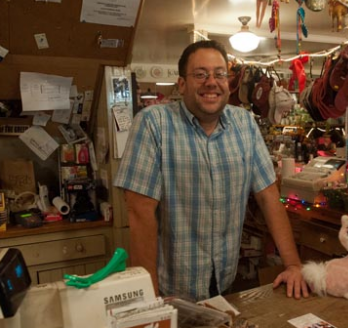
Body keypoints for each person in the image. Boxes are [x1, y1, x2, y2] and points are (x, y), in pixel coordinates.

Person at [114, 40, 309, 301]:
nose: (211, 82)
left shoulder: (244, 123)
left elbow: (268, 196)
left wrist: (293, 265)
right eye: (200, 74)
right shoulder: (153, 123)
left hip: (223, 283)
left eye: (219, 74)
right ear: (181, 84)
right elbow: (140, 213)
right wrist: (150, 300)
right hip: (169, 289)